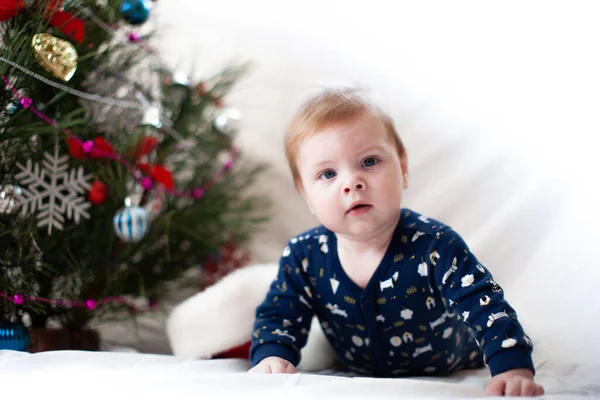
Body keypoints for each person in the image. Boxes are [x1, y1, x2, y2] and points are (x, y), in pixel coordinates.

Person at [248, 88, 544, 397]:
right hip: (357, 371)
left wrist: (511, 366)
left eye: (369, 161)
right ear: (306, 194)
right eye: (328, 173)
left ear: (402, 170)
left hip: (452, 360)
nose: (352, 182)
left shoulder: (434, 244)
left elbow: (483, 302)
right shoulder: (304, 256)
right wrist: (272, 355)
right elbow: (280, 312)